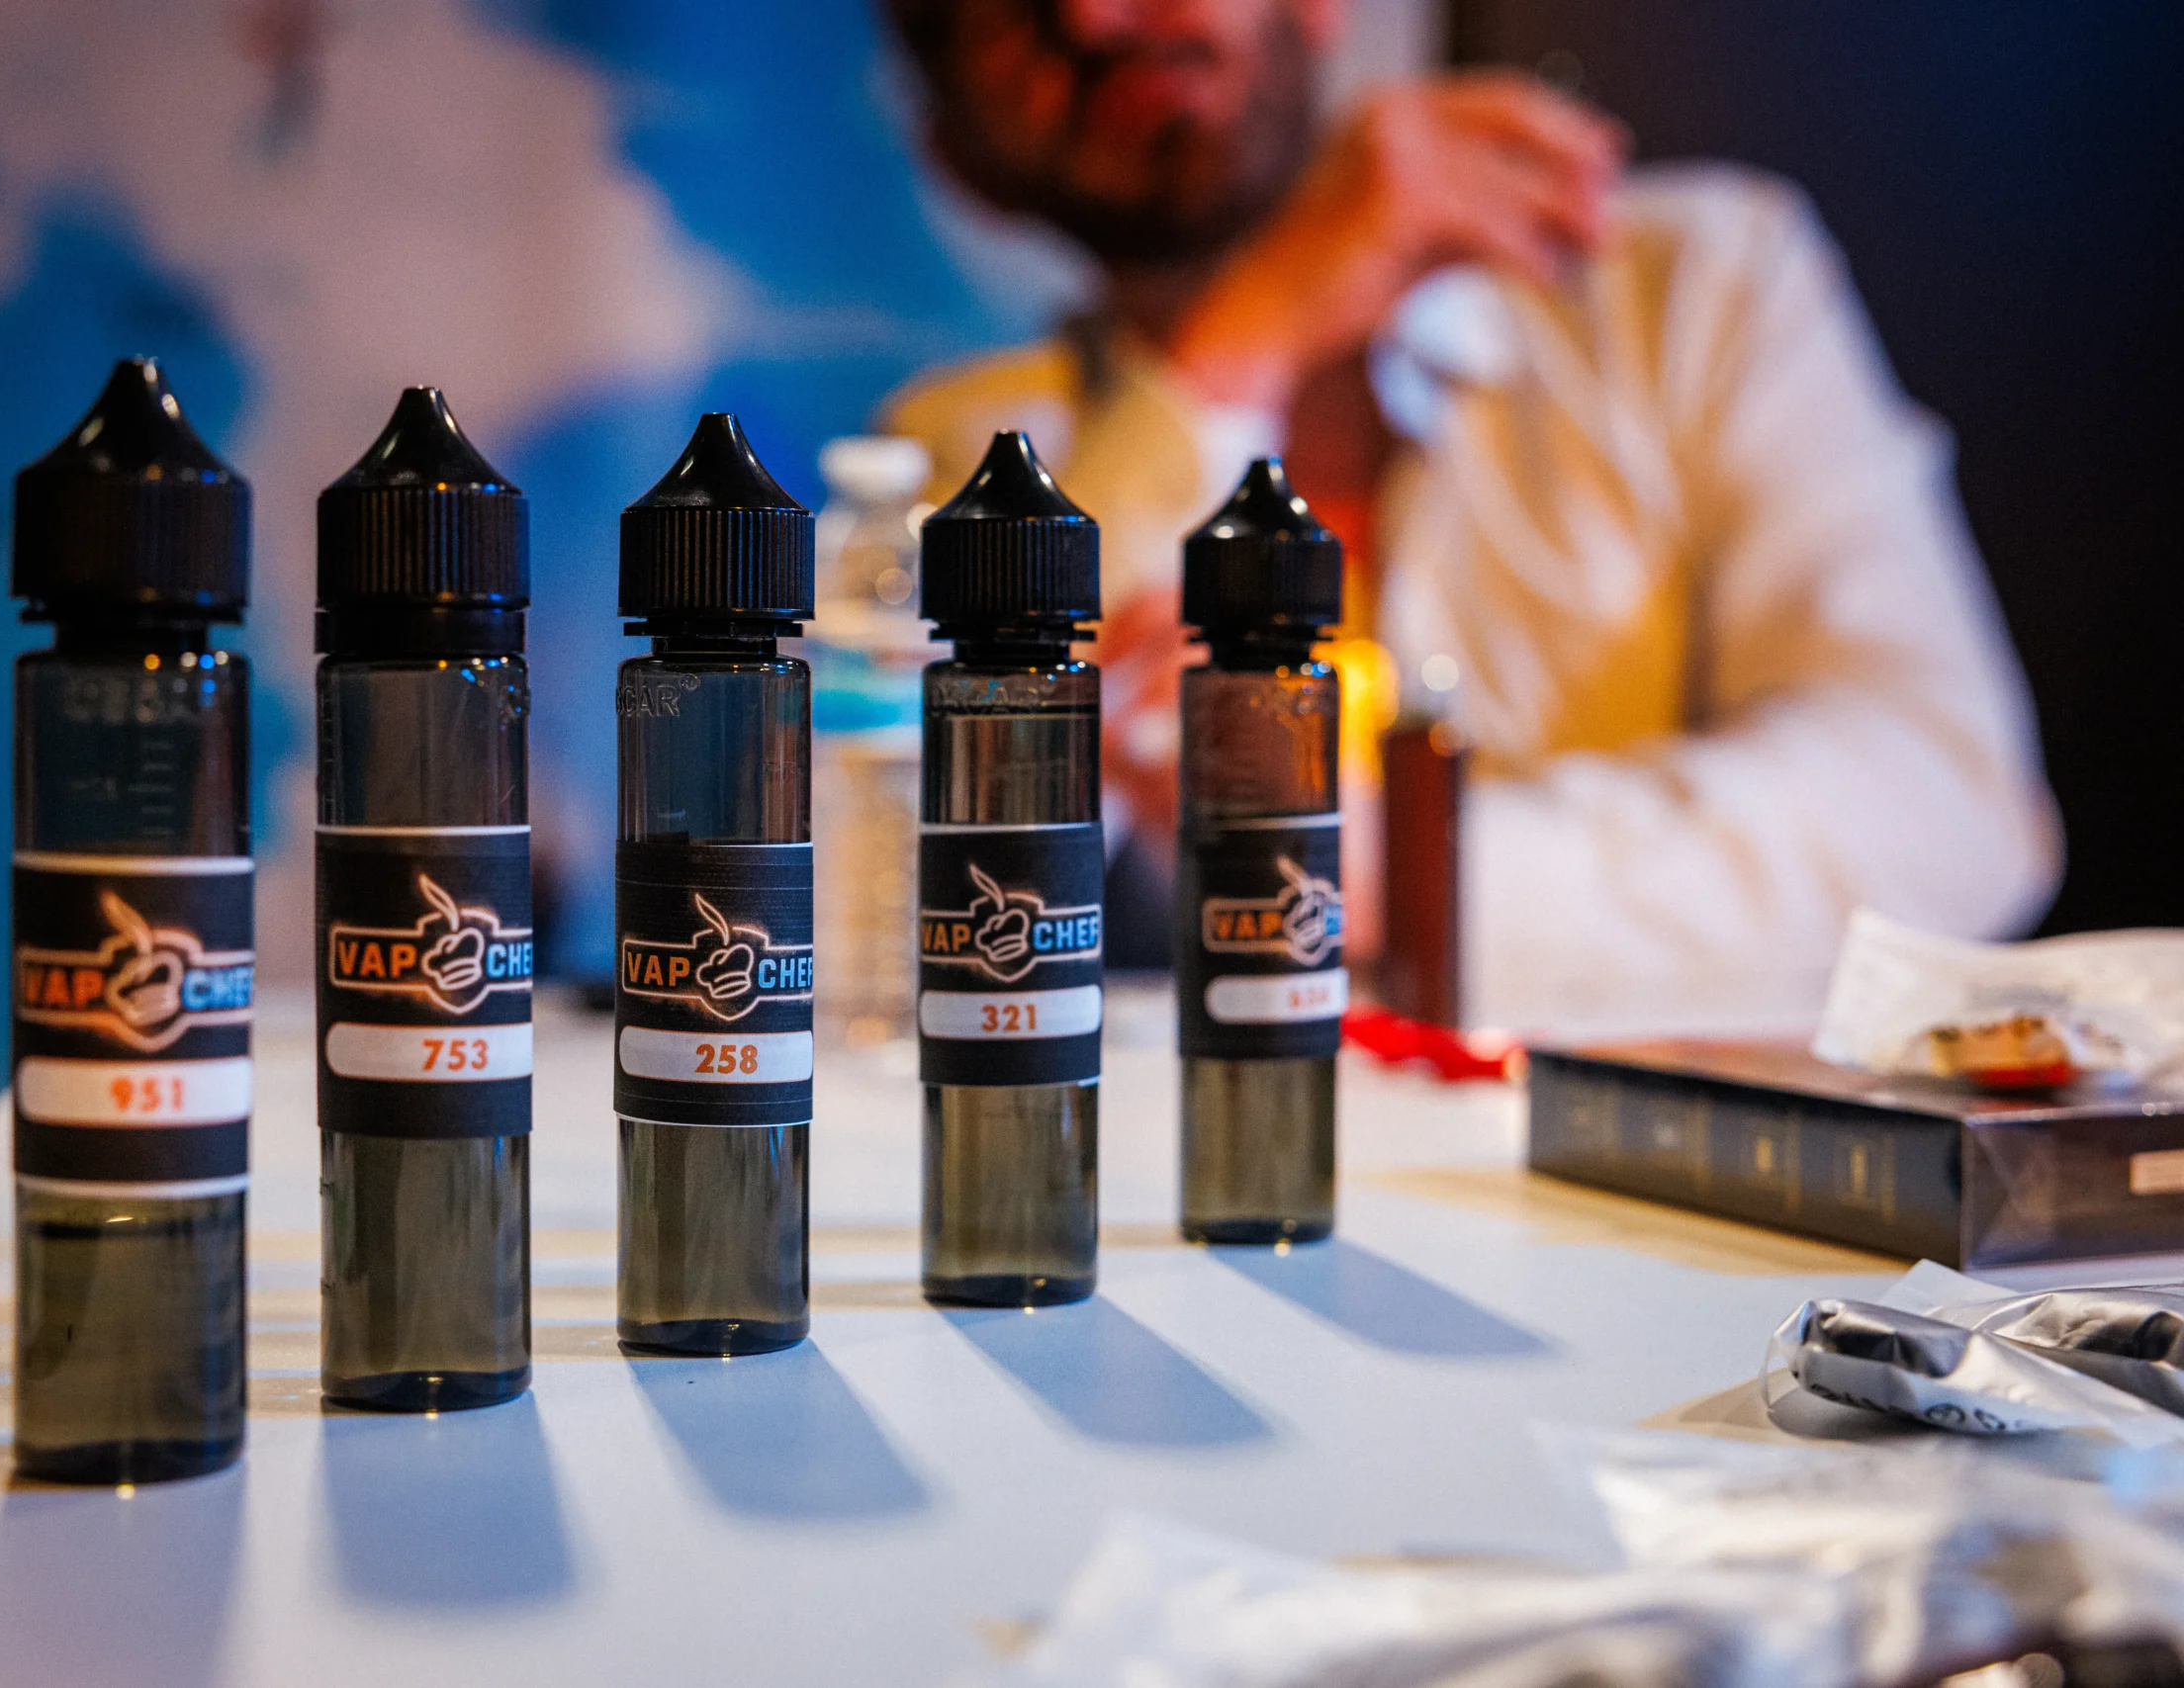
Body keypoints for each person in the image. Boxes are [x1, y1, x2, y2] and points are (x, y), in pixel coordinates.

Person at [877, 0, 2059, 1035]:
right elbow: (900, 914)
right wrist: (1241, 339)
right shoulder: (946, 455)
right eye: (997, 5)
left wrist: (1392, 872)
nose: (1090, 12)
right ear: (956, 155)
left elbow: (1946, 813)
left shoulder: (1692, 285)